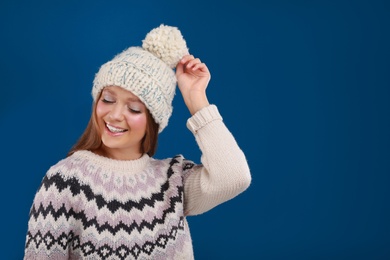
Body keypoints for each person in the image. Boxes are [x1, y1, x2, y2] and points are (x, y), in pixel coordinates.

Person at [24, 24, 251, 259]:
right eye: (108, 99)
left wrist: (196, 98)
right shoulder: (64, 183)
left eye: (133, 108)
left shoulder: (171, 181)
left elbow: (234, 177)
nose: (114, 115)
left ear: (153, 121)